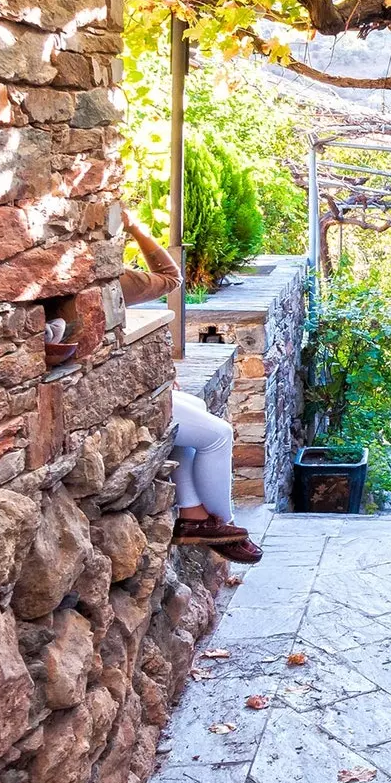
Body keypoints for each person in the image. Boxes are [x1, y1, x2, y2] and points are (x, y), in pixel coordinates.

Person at [121, 212, 263, 564]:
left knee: (194, 415)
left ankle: (192, 512)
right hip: (120, 402)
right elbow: (171, 277)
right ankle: (223, 526)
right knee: (218, 434)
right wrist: (136, 227)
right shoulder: (110, 280)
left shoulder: (103, 281)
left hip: (126, 396)